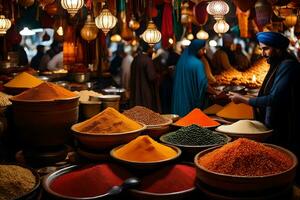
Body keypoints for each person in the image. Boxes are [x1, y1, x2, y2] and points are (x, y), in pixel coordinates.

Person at [228, 32, 300, 182]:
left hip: (286, 121)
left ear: (278, 49)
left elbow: (274, 98)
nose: (263, 53)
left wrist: (243, 99)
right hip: (277, 120)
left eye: (266, 49)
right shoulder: (279, 63)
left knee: (285, 159)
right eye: (262, 49)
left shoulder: (288, 65)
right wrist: (247, 98)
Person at [172, 39, 218, 117]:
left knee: (181, 121)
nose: (204, 52)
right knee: (191, 121)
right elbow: (204, 85)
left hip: (180, 97)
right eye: (202, 49)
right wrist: (216, 93)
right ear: (196, 49)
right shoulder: (197, 63)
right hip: (191, 98)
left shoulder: (181, 61)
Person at [129, 41, 161, 112]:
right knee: (146, 114)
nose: (153, 51)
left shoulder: (135, 59)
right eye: (152, 48)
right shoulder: (147, 60)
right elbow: (152, 77)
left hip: (135, 92)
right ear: (149, 49)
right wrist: (159, 75)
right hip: (145, 93)